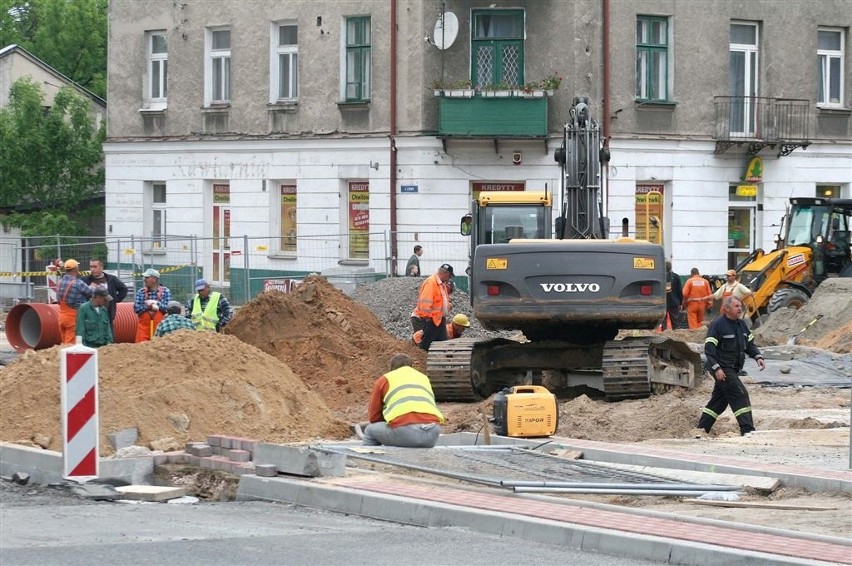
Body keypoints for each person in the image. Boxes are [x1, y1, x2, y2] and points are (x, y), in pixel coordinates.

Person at [698, 296, 765, 436]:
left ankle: (701, 428)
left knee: (719, 402)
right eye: (736, 306)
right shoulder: (717, 325)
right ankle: (747, 429)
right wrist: (717, 368)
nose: (740, 308)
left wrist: (757, 356)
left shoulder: (741, 325)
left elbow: (750, 345)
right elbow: (709, 349)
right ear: (726, 309)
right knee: (739, 394)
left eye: (740, 306)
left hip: (733, 368)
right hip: (722, 367)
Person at [361, 353, 445, 448]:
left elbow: (374, 418)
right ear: (411, 367)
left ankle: (368, 461)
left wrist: (390, 421)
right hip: (432, 433)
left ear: (392, 368)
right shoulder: (424, 378)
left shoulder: (386, 379)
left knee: (370, 430)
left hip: (405, 432)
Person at [411, 263, 454, 351]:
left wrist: (447, 306)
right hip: (431, 319)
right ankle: (421, 358)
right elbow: (425, 301)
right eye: (449, 276)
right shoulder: (431, 282)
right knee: (426, 344)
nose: (449, 279)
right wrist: (427, 318)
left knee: (443, 343)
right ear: (446, 274)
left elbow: (441, 300)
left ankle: (442, 360)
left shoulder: (441, 284)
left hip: (439, 319)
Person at [82, 259, 129, 329]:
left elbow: (124, 289)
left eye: (95, 267)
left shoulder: (111, 279)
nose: (92, 269)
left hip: (107, 314)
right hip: (90, 315)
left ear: (101, 267)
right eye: (91, 267)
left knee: (109, 336)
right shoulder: (85, 280)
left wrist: (115, 299)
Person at [56, 259, 94, 344]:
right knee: (71, 345)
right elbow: (92, 293)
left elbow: (58, 300)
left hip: (62, 317)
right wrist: (94, 287)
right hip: (74, 318)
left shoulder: (60, 282)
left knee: (64, 342)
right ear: (76, 269)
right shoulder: (78, 283)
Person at [133, 268, 172, 342]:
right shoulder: (141, 292)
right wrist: (149, 306)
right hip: (143, 329)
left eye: (147, 277)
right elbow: (136, 309)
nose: (144, 280)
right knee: (140, 348)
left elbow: (167, 308)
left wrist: (156, 303)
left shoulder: (165, 291)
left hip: (159, 328)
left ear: (154, 279)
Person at [663, 261, 683, 330]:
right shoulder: (676, 276)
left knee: (663, 322)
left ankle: (664, 335)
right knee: (675, 321)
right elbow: (679, 291)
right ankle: (677, 335)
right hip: (674, 302)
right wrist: (680, 302)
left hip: (663, 303)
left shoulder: (660, 276)